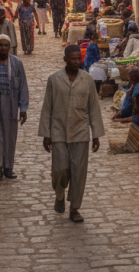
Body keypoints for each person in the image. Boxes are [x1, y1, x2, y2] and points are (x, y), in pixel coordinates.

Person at [39, 45, 105, 222]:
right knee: (59, 170)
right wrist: (46, 134)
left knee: (78, 172)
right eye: (73, 59)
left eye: (79, 59)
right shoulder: (54, 79)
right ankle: (59, 195)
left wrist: (96, 134)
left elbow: (93, 108)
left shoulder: (87, 79)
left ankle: (75, 208)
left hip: (80, 132)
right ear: (65, 59)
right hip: (58, 131)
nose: (77, 62)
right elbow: (47, 107)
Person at [0, 35, 29, 181]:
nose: (3, 48)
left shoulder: (17, 63)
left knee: (9, 137)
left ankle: (8, 168)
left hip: (10, 104)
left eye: (6, 45)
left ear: (10, 47)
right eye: (0, 45)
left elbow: (23, 86)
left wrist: (23, 108)